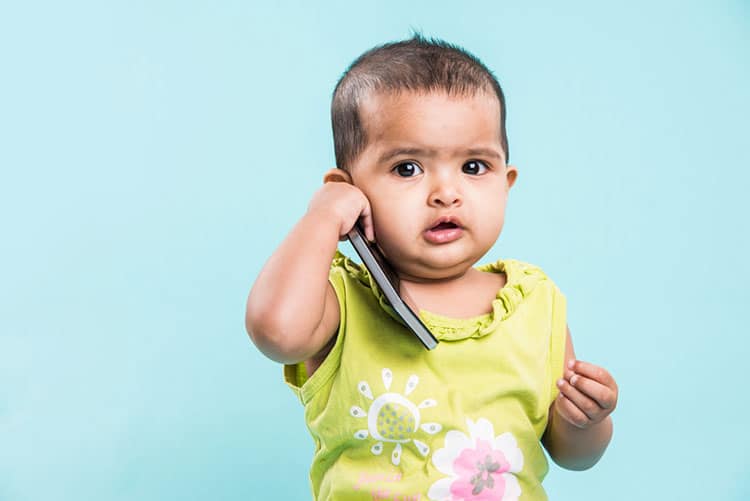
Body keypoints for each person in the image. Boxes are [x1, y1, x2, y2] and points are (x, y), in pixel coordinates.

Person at [246, 35, 618, 501]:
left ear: (507, 183)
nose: (446, 192)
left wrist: (586, 419)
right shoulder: (339, 300)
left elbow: (572, 456)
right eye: (407, 169)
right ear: (350, 190)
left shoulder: (533, 303)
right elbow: (276, 332)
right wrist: (323, 217)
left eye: (474, 166)